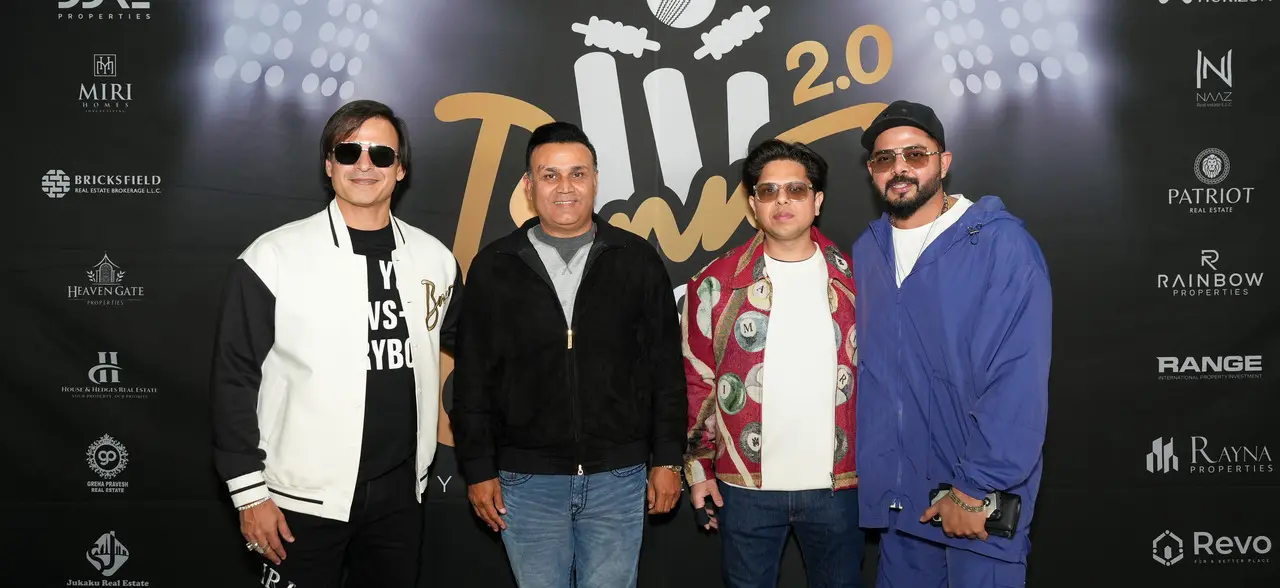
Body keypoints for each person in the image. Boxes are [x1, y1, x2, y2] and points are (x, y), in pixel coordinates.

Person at [210, 99, 462, 587]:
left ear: (401, 169)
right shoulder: (274, 256)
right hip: (297, 500)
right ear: (329, 165)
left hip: (399, 498)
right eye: (349, 152)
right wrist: (248, 494)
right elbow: (233, 377)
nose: (364, 165)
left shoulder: (434, 258)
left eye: (381, 155)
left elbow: (481, 346)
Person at [451, 121, 686, 587]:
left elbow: (666, 370)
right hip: (526, 483)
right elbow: (472, 379)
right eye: (550, 175)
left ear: (595, 180)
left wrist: (668, 459)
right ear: (528, 185)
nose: (565, 187)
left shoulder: (636, 259)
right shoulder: (495, 266)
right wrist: (477, 468)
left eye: (577, 173)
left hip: (618, 478)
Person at [850, 100, 1051, 587]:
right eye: (884, 158)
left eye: (915, 154)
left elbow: (1017, 377)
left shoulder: (1000, 245)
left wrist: (975, 487)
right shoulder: (867, 250)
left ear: (943, 162)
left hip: (974, 506)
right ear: (872, 171)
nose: (899, 167)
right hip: (901, 508)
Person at [682, 139, 864, 587]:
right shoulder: (714, 284)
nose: (782, 201)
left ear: (817, 201)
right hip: (746, 488)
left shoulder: (858, 280)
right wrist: (698, 469)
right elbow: (697, 383)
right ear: (753, 205)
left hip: (839, 487)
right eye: (768, 191)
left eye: (796, 190)